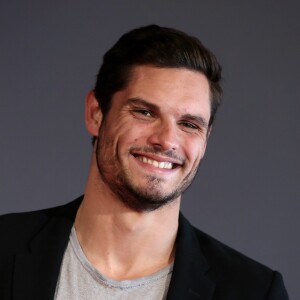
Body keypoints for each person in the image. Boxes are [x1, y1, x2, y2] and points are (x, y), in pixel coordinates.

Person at [0, 25, 289, 300]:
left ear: (206, 139)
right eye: (145, 112)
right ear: (95, 114)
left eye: (189, 124)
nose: (166, 140)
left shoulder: (254, 291)